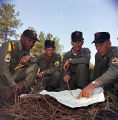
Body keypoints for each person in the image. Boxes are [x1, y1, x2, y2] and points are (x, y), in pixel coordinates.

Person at [0, 29, 39, 104]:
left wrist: (30, 58)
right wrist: (13, 86)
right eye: (29, 40)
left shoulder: (26, 51)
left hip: (10, 76)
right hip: (2, 78)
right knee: (8, 102)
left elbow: (36, 60)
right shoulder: (9, 46)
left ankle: (24, 93)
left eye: (33, 42)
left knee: (34, 66)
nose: (31, 44)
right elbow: (3, 69)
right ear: (22, 37)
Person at [78, 32, 118, 99]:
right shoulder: (98, 55)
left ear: (109, 44)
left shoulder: (116, 52)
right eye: (96, 46)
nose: (98, 48)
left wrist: (93, 85)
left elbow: (114, 71)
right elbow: (97, 73)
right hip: (107, 82)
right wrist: (94, 88)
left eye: (101, 45)